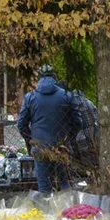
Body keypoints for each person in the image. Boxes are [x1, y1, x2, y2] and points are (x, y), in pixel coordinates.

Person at [17, 65, 77, 193]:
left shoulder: (30, 97)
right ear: (55, 77)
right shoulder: (66, 95)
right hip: (62, 146)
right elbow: (77, 122)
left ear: (38, 79)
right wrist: (69, 138)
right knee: (66, 183)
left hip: (40, 146)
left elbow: (21, 124)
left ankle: (46, 210)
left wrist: (31, 140)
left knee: (44, 186)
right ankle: (69, 210)